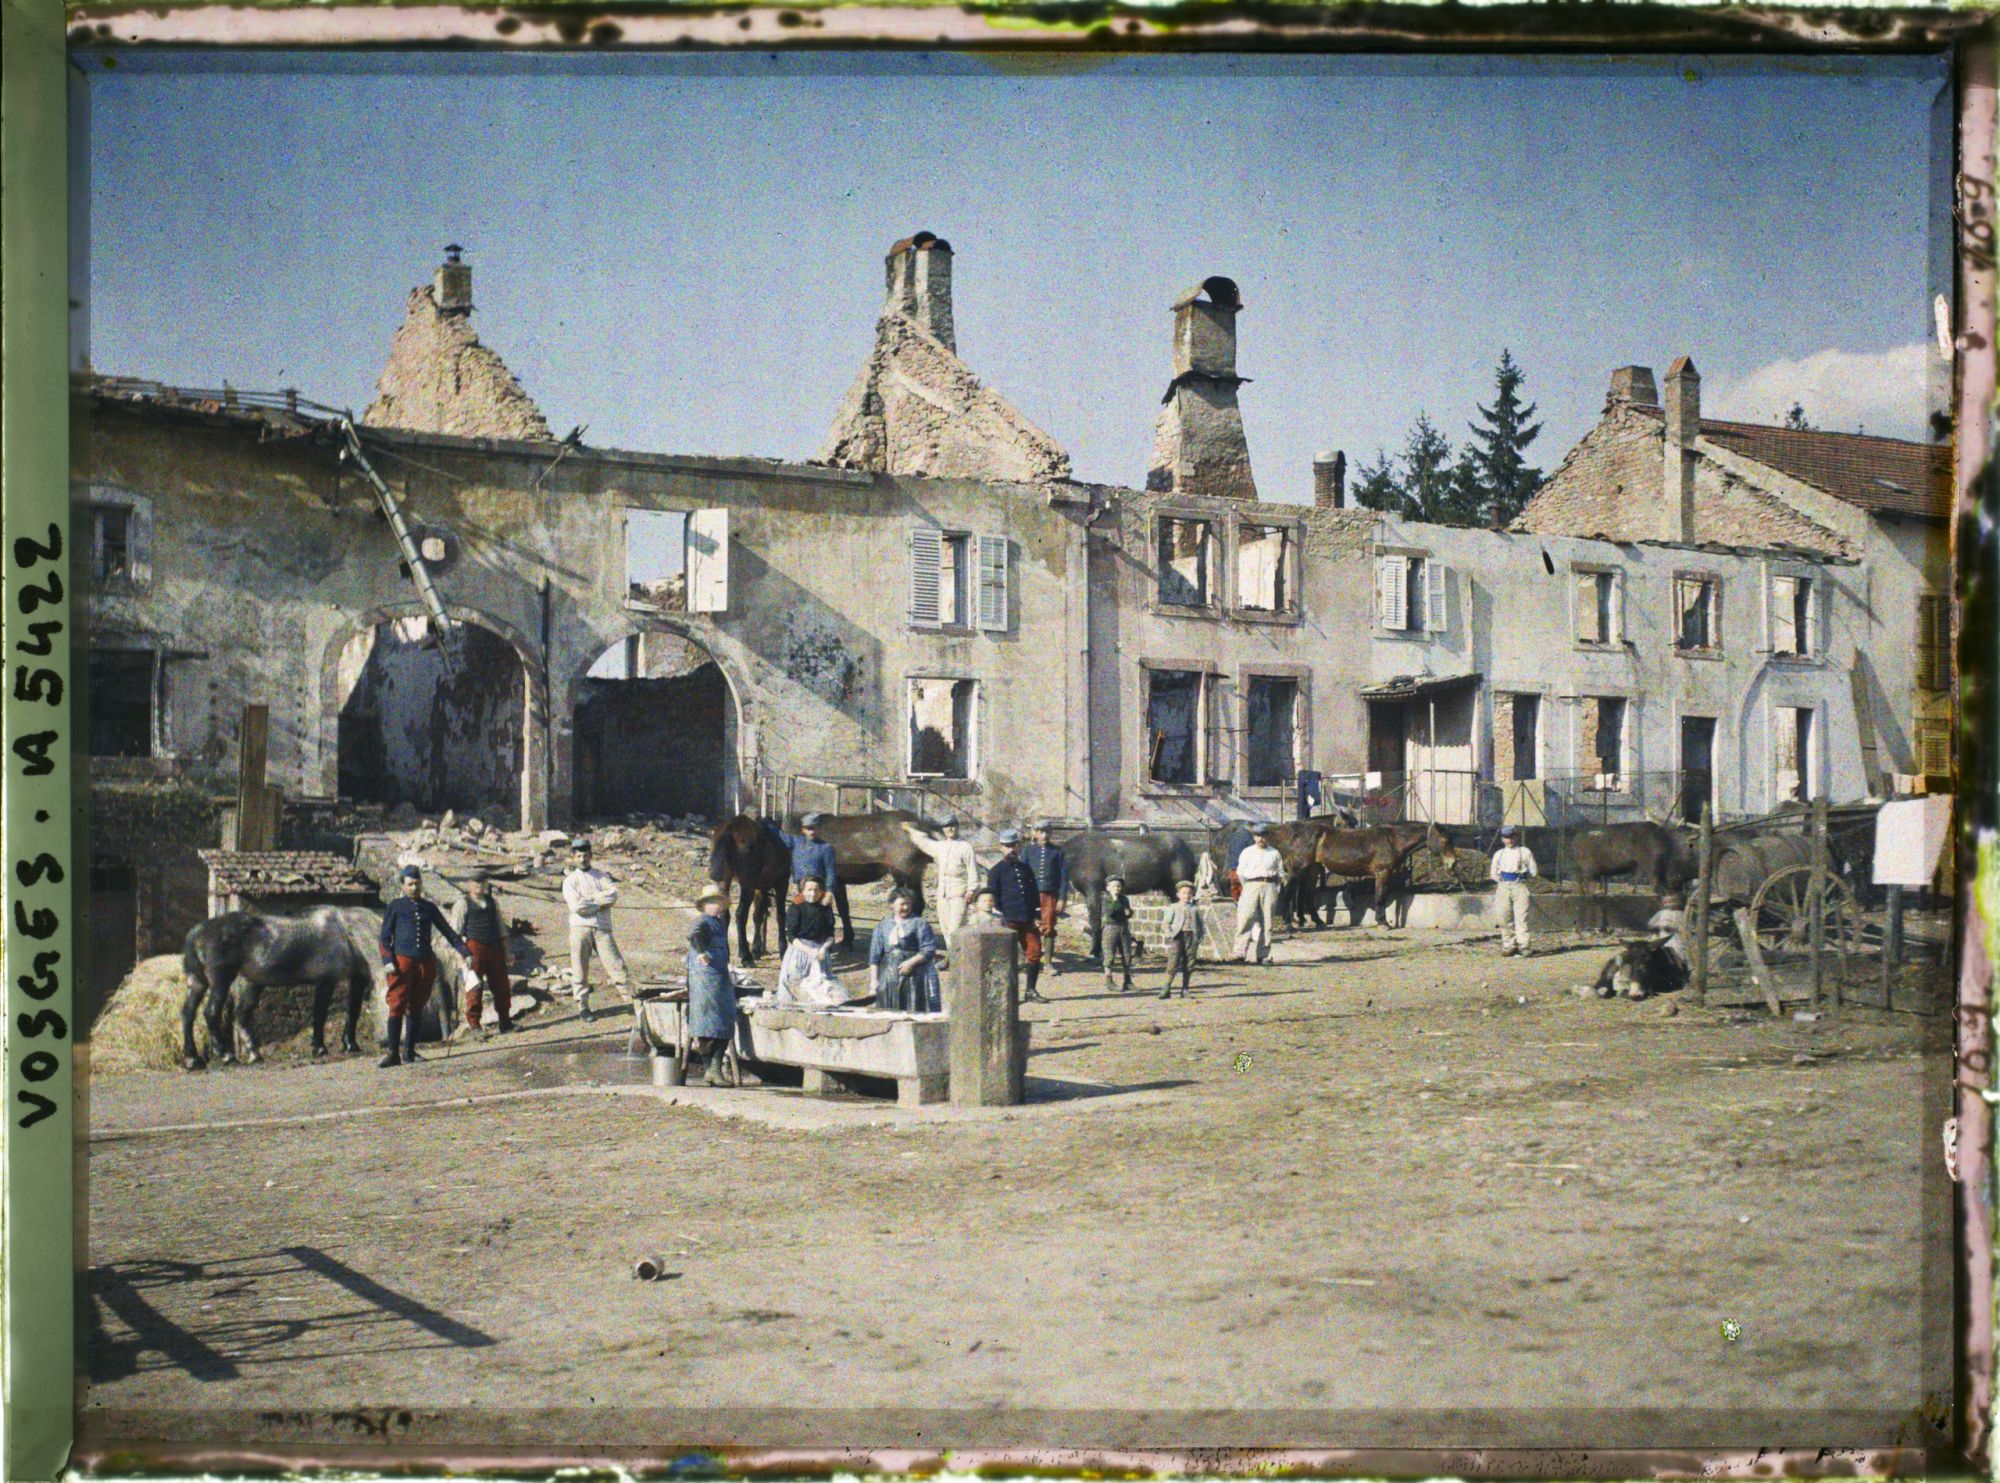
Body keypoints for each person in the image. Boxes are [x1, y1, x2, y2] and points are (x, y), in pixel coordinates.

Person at [377, 865, 469, 1068]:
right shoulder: (395, 906)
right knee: (397, 1005)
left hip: (425, 963)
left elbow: (447, 931)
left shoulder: (429, 907)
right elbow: (384, 938)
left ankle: (409, 1051)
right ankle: (393, 1053)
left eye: (417, 883)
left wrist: (464, 951)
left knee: (417, 1005)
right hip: (402, 963)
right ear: (403, 886)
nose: (414, 888)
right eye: (410, 884)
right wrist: (388, 960)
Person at [562, 838, 631, 1020]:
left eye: (585, 855)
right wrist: (600, 902)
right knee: (579, 969)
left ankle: (632, 1002)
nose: (582, 859)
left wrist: (590, 900)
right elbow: (577, 907)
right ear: (574, 858)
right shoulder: (570, 881)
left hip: (602, 927)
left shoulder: (601, 876)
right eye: (579, 856)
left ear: (591, 856)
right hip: (580, 928)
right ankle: (583, 1006)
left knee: (616, 965)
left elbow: (613, 895)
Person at [985, 829, 1048, 1003]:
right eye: (1007, 846)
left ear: (1018, 846)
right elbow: (993, 898)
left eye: (1013, 845)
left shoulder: (1026, 868)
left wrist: (1036, 915)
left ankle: (1030, 991)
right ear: (1001, 847)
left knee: (1035, 953)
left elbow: (1034, 893)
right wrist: (1000, 919)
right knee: (1007, 957)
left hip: (1027, 920)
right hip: (1008, 921)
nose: (1011, 849)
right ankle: (1006, 994)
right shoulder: (996, 871)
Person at [452, 870, 516, 1037]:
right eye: (476, 883)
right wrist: (461, 957)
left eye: (483, 883)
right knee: (474, 987)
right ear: (469, 884)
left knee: (501, 985)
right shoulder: (463, 904)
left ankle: (505, 1021)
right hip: (474, 948)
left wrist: (507, 950)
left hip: (494, 947)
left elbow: (501, 928)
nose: (480, 886)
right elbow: (456, 933)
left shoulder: (492, 902)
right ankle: (475, 1026)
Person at [686, 888, 737, 1086]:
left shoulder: (720, 922)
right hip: (705, 979)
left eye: (718, 902)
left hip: (720, 977)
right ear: (704, 905)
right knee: (707, 1022)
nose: (715, 906)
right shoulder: (702, 922)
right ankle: (711, 1069)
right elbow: (695, 935)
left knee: (724, 1021)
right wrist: (701, 953)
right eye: (710, 902)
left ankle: (715, 1068)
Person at [901, 816, 979, 944]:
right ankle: (952, 954)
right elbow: (923, 841)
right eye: (947, 826)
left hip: (959, 893)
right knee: (945, 928)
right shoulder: (940, 847)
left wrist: (971, 890)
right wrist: (909, 829)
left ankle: (957, 954)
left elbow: (973, 871)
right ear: (943, 829)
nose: (950, 829)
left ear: (957, 827)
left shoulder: (965, 847)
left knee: (955, 929)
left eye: (953, 825)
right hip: (942, 894)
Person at [869, 889, 944, 1014]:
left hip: (914, 977)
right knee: (888, 1011)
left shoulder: (919, 923)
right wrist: (873, 982)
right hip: (888, 976)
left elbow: (928, 949)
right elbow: (874, 957)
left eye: (908, 904)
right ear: (892, 905)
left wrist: (911, 963)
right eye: (902, 904)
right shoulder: (882, 925)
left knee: (912, 1010)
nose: (905, 907)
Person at [777, 878, 840, 1004]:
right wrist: (808, 950)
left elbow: (830, 935)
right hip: (799, 951)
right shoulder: (796, 908)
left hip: (819, 952)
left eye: (816, 890)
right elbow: (791, 936)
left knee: (819, 990)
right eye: (809, 890)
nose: (813, 893)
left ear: (821, 891)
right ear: (803, 891)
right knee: (796, 988)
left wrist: (824, 948)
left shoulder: (825, 909)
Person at [1232, 824, 1284, 965]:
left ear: (1268, 837)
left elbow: (1280, 873)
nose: (1261, 839)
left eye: (1264, 836)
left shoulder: (1274, 853)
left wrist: (1276, 888)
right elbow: (1240, 873)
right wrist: (1248, 887)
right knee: (1245, 919)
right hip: (1251, 885)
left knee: (1267, 922)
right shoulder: (1247, 852)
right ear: (1254, 837)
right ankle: (1239, 953)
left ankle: (1263, 954)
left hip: (1269, 885)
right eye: (1258, 836)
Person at [1023, 822, 1070, 976]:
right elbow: (1022, 874)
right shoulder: (1027, 850)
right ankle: (1031, 960)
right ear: (1035, 833)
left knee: (1048, 926)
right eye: (1041, 832)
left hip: (1050, 895)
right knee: (1030, 926)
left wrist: (1062, 898)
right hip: (1031, 894)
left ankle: (1048, 963)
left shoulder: (1057, 852)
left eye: (1047, 832)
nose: (1044, 835)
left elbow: (1064, 877)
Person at [1490, 823, 1539, 957]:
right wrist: (1500, 880)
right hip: (1503, 887)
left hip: (1519, 886)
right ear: (1502, 839)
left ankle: (1524, 946)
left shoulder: (1525, 852)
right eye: (1506, 837)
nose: (1509, 840)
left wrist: (1524, 876)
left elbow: (1533, 871)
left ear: (1516, 837)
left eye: (1512, 837)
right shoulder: (1499, 854)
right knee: (1504, 917)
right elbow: (1493, 873)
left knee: (1522, 917)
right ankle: (1509, 946)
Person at [774, 813, 839, 899]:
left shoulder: (826, 848)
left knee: (817, 908)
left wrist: (829, 891)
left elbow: (830, 871)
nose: (812, 832)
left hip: (817, 891)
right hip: (799, 889)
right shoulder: (796, 842)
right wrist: (766, 822)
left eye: (815, 828)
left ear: (819, 829)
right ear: (803, 830)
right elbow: (779, 835)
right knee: (796, 907)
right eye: (809, 828)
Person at [1159, 879, 1202, 999]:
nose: (1186, 896)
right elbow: (1166, 923)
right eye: (1184, 893)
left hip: (1191, 937)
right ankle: (1166, 988)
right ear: (1178, 894)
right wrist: (1169, 933)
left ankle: (1185, 989)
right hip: (1177, 937)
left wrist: (1199, 937)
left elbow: (1200, 925)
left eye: (1189, 893)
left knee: (1189, 963)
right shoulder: (1174, 907)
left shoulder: (1195, 908)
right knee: (1173, 962)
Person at [1101, 875, 1137, 994]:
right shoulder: (1106, 899)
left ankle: (1127, 981)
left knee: (1127, 955)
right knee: (1109, 955)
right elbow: (1110, 913)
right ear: (1108, 888)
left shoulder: (1124, 899)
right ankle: (1109, 980)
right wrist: (1115, 899)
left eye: (1119, 886)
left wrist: (1129, 912)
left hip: (1123, 928)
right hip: (1111, 928)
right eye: (1114, 886)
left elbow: (1127, 912)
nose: (1117, 888)